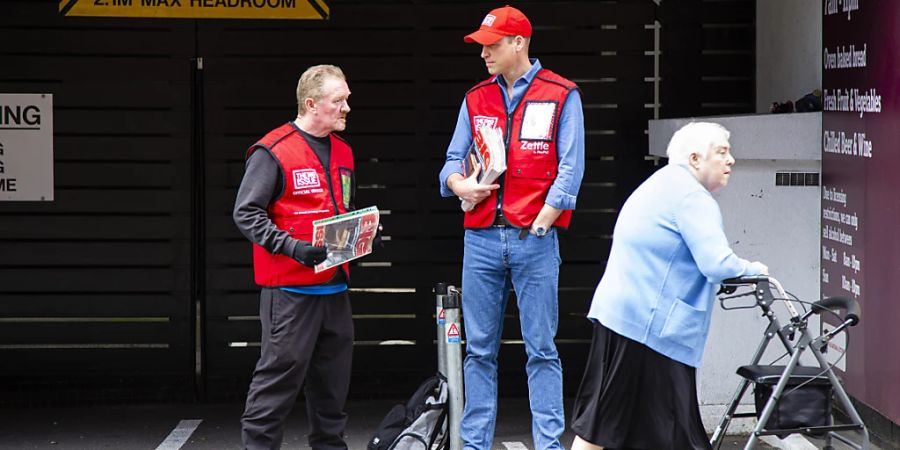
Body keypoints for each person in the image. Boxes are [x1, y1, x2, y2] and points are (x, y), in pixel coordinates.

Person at [569, 122, 769, 450]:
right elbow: (717, 263)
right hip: (650, 329)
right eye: (722, 152)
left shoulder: (660, 184)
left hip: (624, 318)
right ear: (694, 158)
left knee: (603, 425)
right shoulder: (692, 197)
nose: (731, 160)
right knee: (664, 432)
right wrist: (755, 269)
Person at [438, 5, 585, 450]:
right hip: (480, 236)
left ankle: (548, 444)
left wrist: (542, 222)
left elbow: (571, 166)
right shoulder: (476, 96)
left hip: (532, 236)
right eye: (482, 45)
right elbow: (449, 163)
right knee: (478, 350)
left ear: (518, 43)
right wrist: (460, 183)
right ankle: (475, 443)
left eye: (492, 44)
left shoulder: (562, 93)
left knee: (541, 348)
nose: (484, 53)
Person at [234, 64, 356, 450]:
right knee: (276, 385)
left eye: (347, 99)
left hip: (335, 289)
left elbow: (340, 209)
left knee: (332, 390)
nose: (347, 107)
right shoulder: (273, 150)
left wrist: (364, 235)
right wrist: (293, 248)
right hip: (289, 292)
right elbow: (246, 213)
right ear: (311, 104)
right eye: (339, 101)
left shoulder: (344, 151)